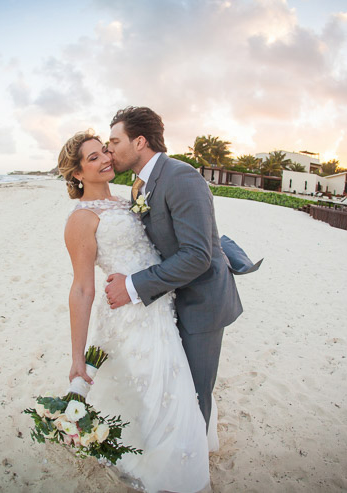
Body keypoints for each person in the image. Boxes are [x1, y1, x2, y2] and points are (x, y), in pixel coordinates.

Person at [60, 129, 210, 493]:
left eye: (104, 152)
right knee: (156, 389)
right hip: (129, 315)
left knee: (172, 385)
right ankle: (168, 472)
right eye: (92, 157)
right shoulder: (81, 218)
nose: (105, 159)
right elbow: (82, 288)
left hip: (160, 304)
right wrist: (77, 356)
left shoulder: (129, 198)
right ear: (77, 174)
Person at [104, 106, 243, 433]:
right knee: (175, 390)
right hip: (170, 301)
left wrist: (133, 286)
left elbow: (197, 256)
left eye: (114, 140)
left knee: (195, 394)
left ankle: (194, 471)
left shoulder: (181, 176)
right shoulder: (139, 184)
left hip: (202, 303)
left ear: (139, 142)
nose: (108, 149)